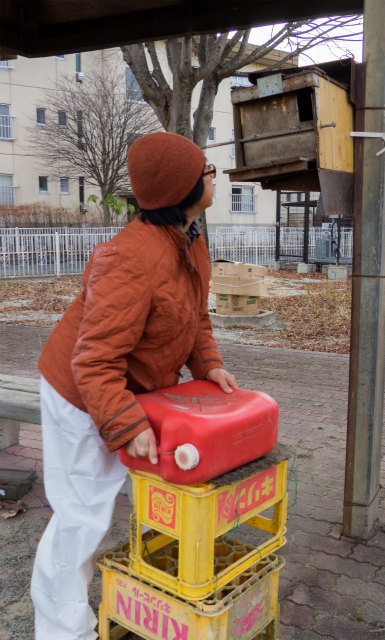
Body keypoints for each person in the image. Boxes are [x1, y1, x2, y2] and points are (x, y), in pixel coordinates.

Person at [30, 131, 236, 640]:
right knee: (82, 516)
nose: (214, 176)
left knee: (135, 501)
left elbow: (195, 320)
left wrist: (208, 364)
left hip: (131, 387)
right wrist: (124, 424)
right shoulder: (129, 257)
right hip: (81, 394)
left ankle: (140, 603)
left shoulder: (191, 241)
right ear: (184, 187)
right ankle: (62, 630)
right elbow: (94, 359)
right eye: (206, 170)